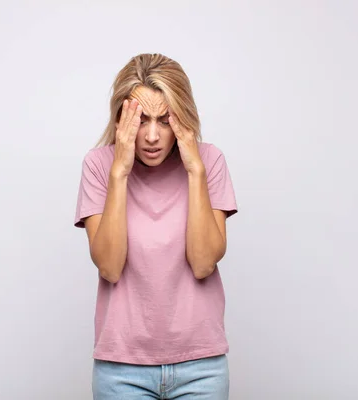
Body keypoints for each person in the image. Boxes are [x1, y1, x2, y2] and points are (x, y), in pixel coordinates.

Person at [74, 53, 238, 399]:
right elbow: (109, 266)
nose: (151, 136)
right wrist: (119, 170)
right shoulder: (99, 165)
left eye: (165, 121)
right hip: (122, 368)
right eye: (141, 120)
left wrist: (195, 170)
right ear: (121, 119)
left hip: (201, 366)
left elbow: (204, 262)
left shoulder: (210, 161)